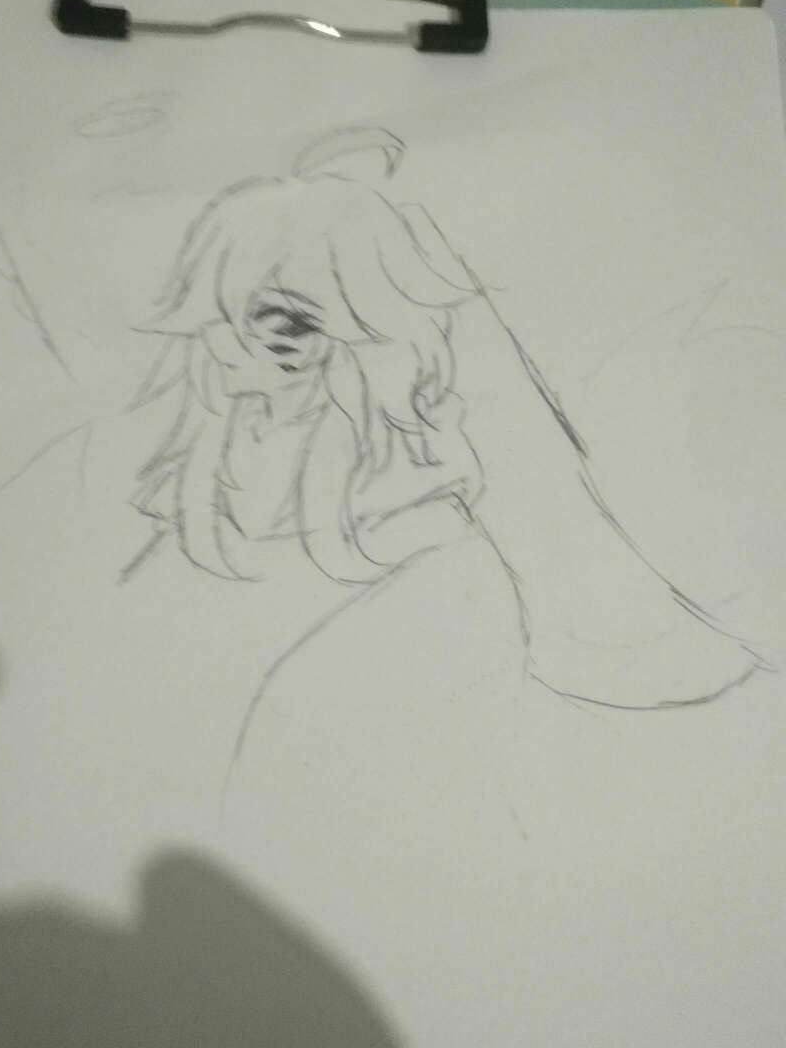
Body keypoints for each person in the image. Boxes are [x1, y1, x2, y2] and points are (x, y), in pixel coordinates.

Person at [127, 136, 764, 711]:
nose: (222, 345)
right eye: (215, 320)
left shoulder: (427, 457)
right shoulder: (220, 436)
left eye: (279, 323)